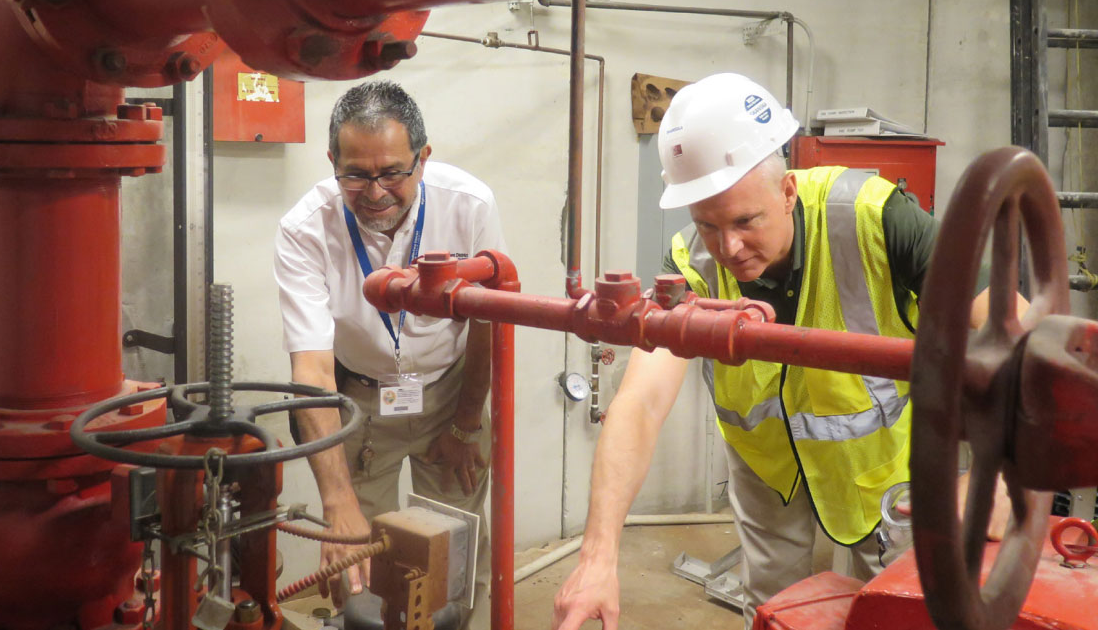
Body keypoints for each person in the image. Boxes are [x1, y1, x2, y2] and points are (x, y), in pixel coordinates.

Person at [552, 73, 997, 630]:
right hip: (768, 470)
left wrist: (996, 483)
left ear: (787, 191)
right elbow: (639, 404)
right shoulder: (692, 266)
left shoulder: (874, 218)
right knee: (774, 613)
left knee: (899, 610)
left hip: (883, 472)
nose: (729, 248)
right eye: (707, 225)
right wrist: (599, 557)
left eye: (745, 221)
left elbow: (1017, 335)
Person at [274, 81, 504, 627]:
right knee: (359, 564)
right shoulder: (305, 229)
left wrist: (468, 423)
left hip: (451, 393)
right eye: (355, 174)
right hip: (355, 402)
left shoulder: (469, 205)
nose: (375, 192)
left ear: (423, 158)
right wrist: (336, 502)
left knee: (455, 548)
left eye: (393, 172)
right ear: (332, 160)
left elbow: (487, 326)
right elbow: (311, 368)